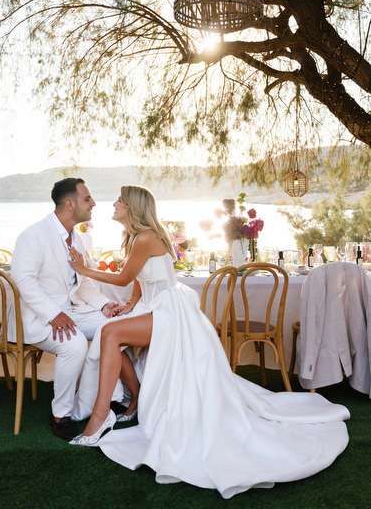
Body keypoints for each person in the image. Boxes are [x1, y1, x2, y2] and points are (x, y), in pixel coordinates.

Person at [67, 185, 350, 499]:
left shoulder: (146, 237)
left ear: (132, 207)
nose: (114, 203)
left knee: (109, 333)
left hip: (169, 311)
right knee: (113, 330)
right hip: (156, 307)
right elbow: (139, 279)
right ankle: (134, 399)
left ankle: (100, 415)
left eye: (119, 200)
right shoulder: (137, 237)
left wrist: (83, 269)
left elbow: (122, 278)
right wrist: (132, 305)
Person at [9, 177, 119, 440]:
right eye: (87, 198)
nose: (93, 203)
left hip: (73, 312)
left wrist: (104, 305)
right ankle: (61, 414)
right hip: (40, 318)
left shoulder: (76, 238)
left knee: (116, 327)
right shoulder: (33, 235)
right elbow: (23, 279)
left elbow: (82, 283)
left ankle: (103, 398)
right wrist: (52, 314)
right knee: (75, 344)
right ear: (69, 204)